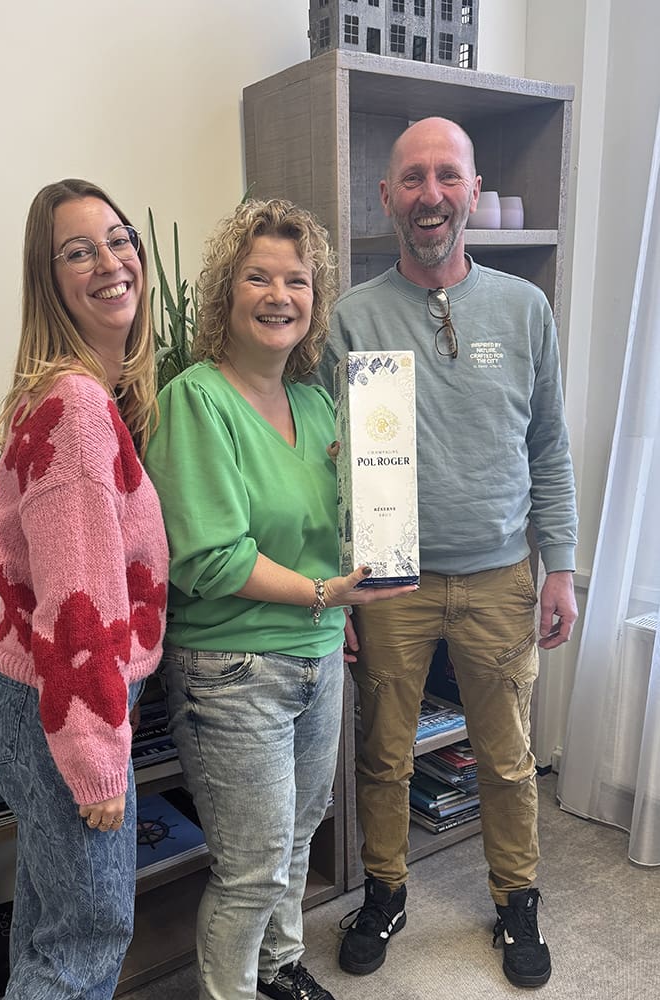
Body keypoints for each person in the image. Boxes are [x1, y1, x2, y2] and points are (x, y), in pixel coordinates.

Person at [317, 118, 578, 989]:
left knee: (507, 757)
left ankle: (516, 898)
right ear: (386, 196)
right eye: (413, 179)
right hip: (391, 583)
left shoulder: (525, 309)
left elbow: (549, 445)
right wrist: (338, 589)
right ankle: (385, 892)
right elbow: (327, 467)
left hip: (503, 575)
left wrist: (561, 565)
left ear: (472, 191)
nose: (431, 195)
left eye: (447, 176)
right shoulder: (352, 317)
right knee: (383, 755)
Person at [144, 198, 416, 1000]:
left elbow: (338, 529)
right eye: (257, 277)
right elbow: (212, 558)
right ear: (226, 291)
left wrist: (365, 523)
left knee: (297, 838)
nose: (279, 295)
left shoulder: (317, 404)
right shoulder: (196, 400)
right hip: (232, 667)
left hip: (317, 654)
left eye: (297, 281)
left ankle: (278, 967)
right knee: (251, 865)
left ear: (315, 299)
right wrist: (328, 593)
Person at [0, 178, 169, 999]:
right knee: (83, 945)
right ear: (48, 279)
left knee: (49, 930)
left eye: (119, 239)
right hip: (59, 710)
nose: (110, 261)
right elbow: (78, 607)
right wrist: (95, 762)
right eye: (79, 251)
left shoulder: (67, 393)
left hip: (31, 701)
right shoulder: (80, 408)